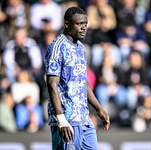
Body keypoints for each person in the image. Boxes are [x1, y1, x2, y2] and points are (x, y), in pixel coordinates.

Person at [45, 7, 110, 150]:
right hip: (67, 122)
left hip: (84, 119)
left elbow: (82, 80)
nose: (84, 27)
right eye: (79, 23)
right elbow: (51, 84)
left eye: (85, 23)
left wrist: (99, 109)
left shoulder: (81, 47)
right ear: (67, 24)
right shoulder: (57, 47)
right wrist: (61, 120)